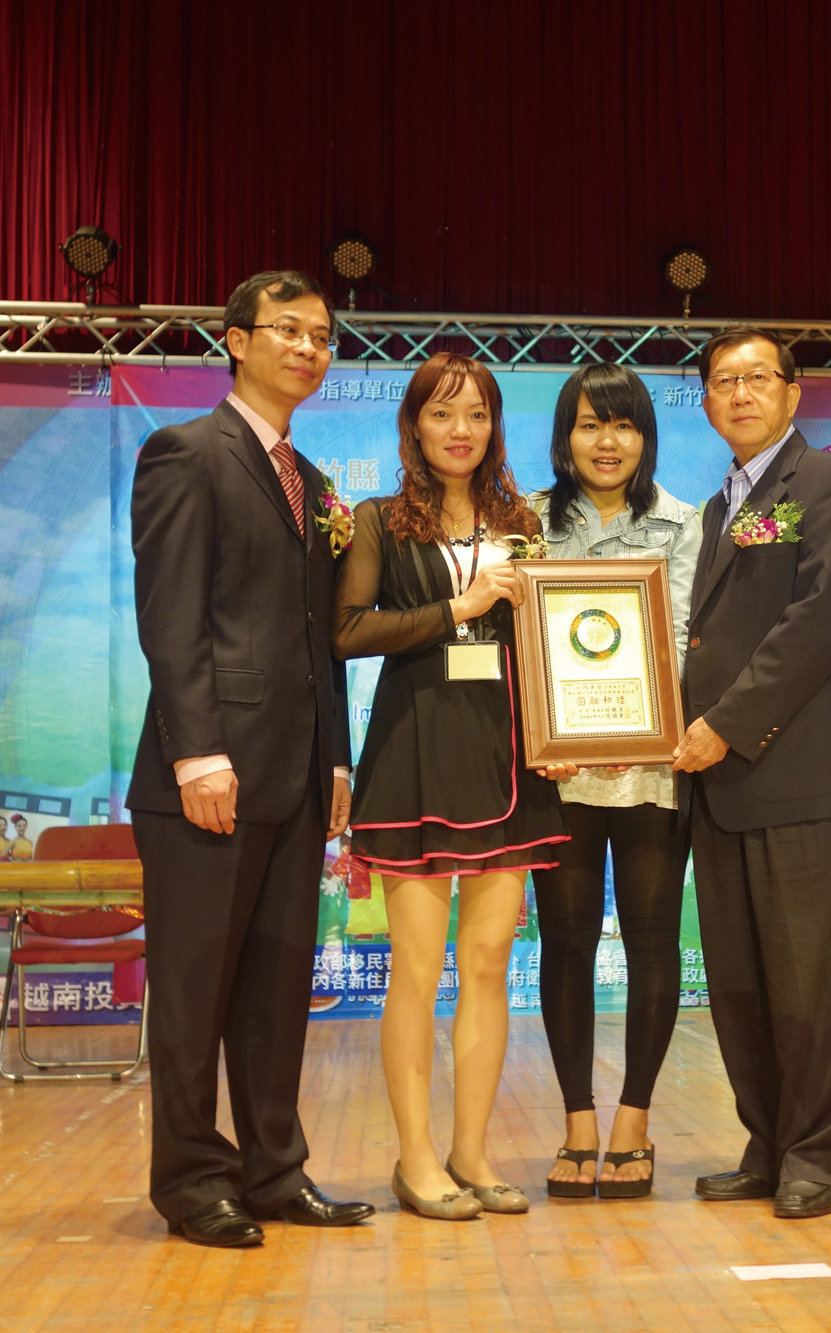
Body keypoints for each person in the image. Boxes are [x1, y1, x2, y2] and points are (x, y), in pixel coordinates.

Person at [127, 269, 374, 1249]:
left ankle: (274, 1170)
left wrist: (337, 760)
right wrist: (197, 756)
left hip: (296, 775)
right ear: (235, 340)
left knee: (276, 989)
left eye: (322, 335)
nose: (309, 348)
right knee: (195, 992)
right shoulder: (185, 453)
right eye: (288, 329)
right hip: (211, 777)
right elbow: (171, 617)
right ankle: (193, 1181)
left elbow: (320, 637)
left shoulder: (311, 480)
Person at [335, 350, 568, 1222]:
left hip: (507, 757)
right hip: (414, 756)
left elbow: (546, 643)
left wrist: (560, 731)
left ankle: (471, 1151)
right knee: (416, 968)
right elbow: (347, 631)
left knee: (489, 963)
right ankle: (416, 1158)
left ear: (494, 426)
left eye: (475, 414)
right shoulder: (378, 521)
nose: (459, 430)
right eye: (441, 413)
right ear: (414, 425)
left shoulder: (523, 522)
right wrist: (458, 611)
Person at [671, 327, 831, 1220]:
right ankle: (767, 1143)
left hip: (802, 772)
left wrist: (724, 724)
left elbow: (820, 618)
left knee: (814, 982)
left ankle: (822, 1155)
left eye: (757, 377)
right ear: (706, 403)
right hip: (721, 782)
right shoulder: (715, 508)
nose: (740, 393)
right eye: (723, 381)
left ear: (793, 393)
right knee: (742, 982)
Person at [525, 364, 701, 1200]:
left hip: (651, 771)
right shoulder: (524, 522)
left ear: (645, 437)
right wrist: (541, 729)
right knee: (564, 942)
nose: (607, 441)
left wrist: (651, 726)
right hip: (558, 771)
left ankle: (633, 1120)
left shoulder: (684, 524)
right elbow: (515, 642)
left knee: (651, 939)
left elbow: (686, 638)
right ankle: (577, 1122)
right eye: (590, 424)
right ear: (566, 436)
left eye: (624, 425)